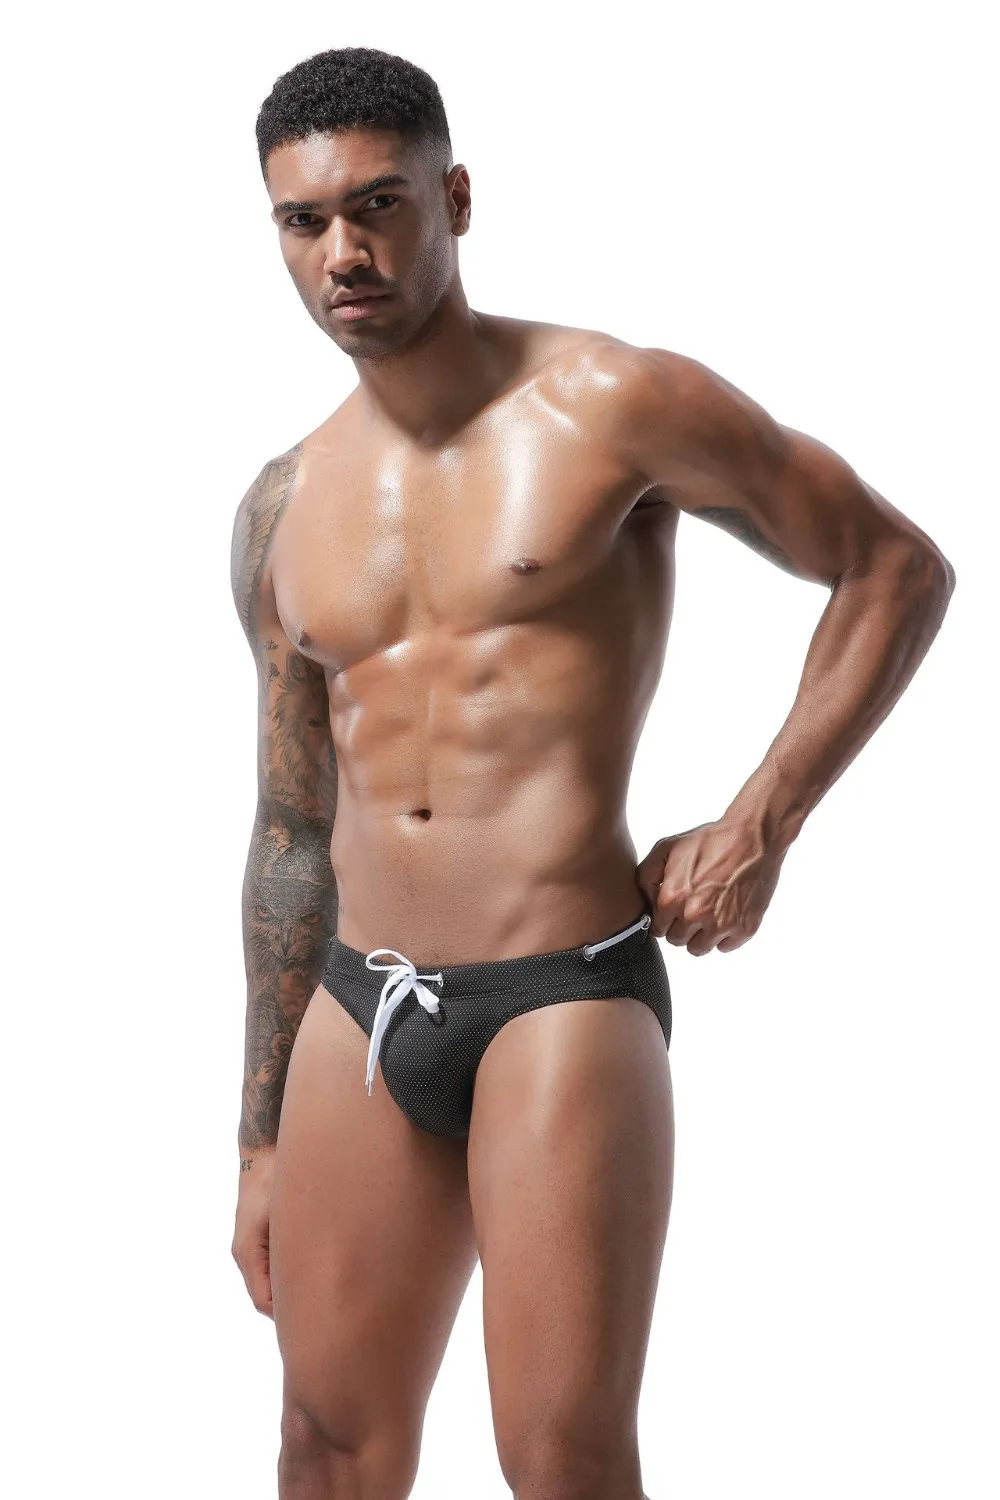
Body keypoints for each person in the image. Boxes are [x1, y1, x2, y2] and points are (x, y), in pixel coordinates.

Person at [229, 44, 955, 1500]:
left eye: (378, 205)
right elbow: (293, 829)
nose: (342, 253)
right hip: (361, 1006)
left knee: (560, 1457)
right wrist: (256, 1136)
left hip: (560, 991)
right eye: (304, 221)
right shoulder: (282, 506)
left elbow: (892, 568)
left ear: (457, 197)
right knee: (325, 1438)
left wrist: (760, 824)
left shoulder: (610, 403)